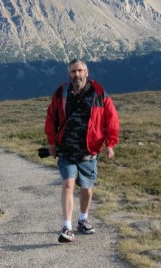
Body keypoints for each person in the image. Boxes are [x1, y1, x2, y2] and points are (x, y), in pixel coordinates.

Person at [44, 59, 120, 243]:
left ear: (86, 72)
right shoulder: (61, 93)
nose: (76, 75)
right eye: (72, 72)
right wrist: (52, 143)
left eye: (79, 71)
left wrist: (110, 145)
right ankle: (66, 227)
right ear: (68, 74)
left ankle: (83, 219)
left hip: (89, 151)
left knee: (86, 188)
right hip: (66, 150)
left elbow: (111, 121)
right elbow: (51, 118)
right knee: (68, 184)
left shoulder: (100, 94)